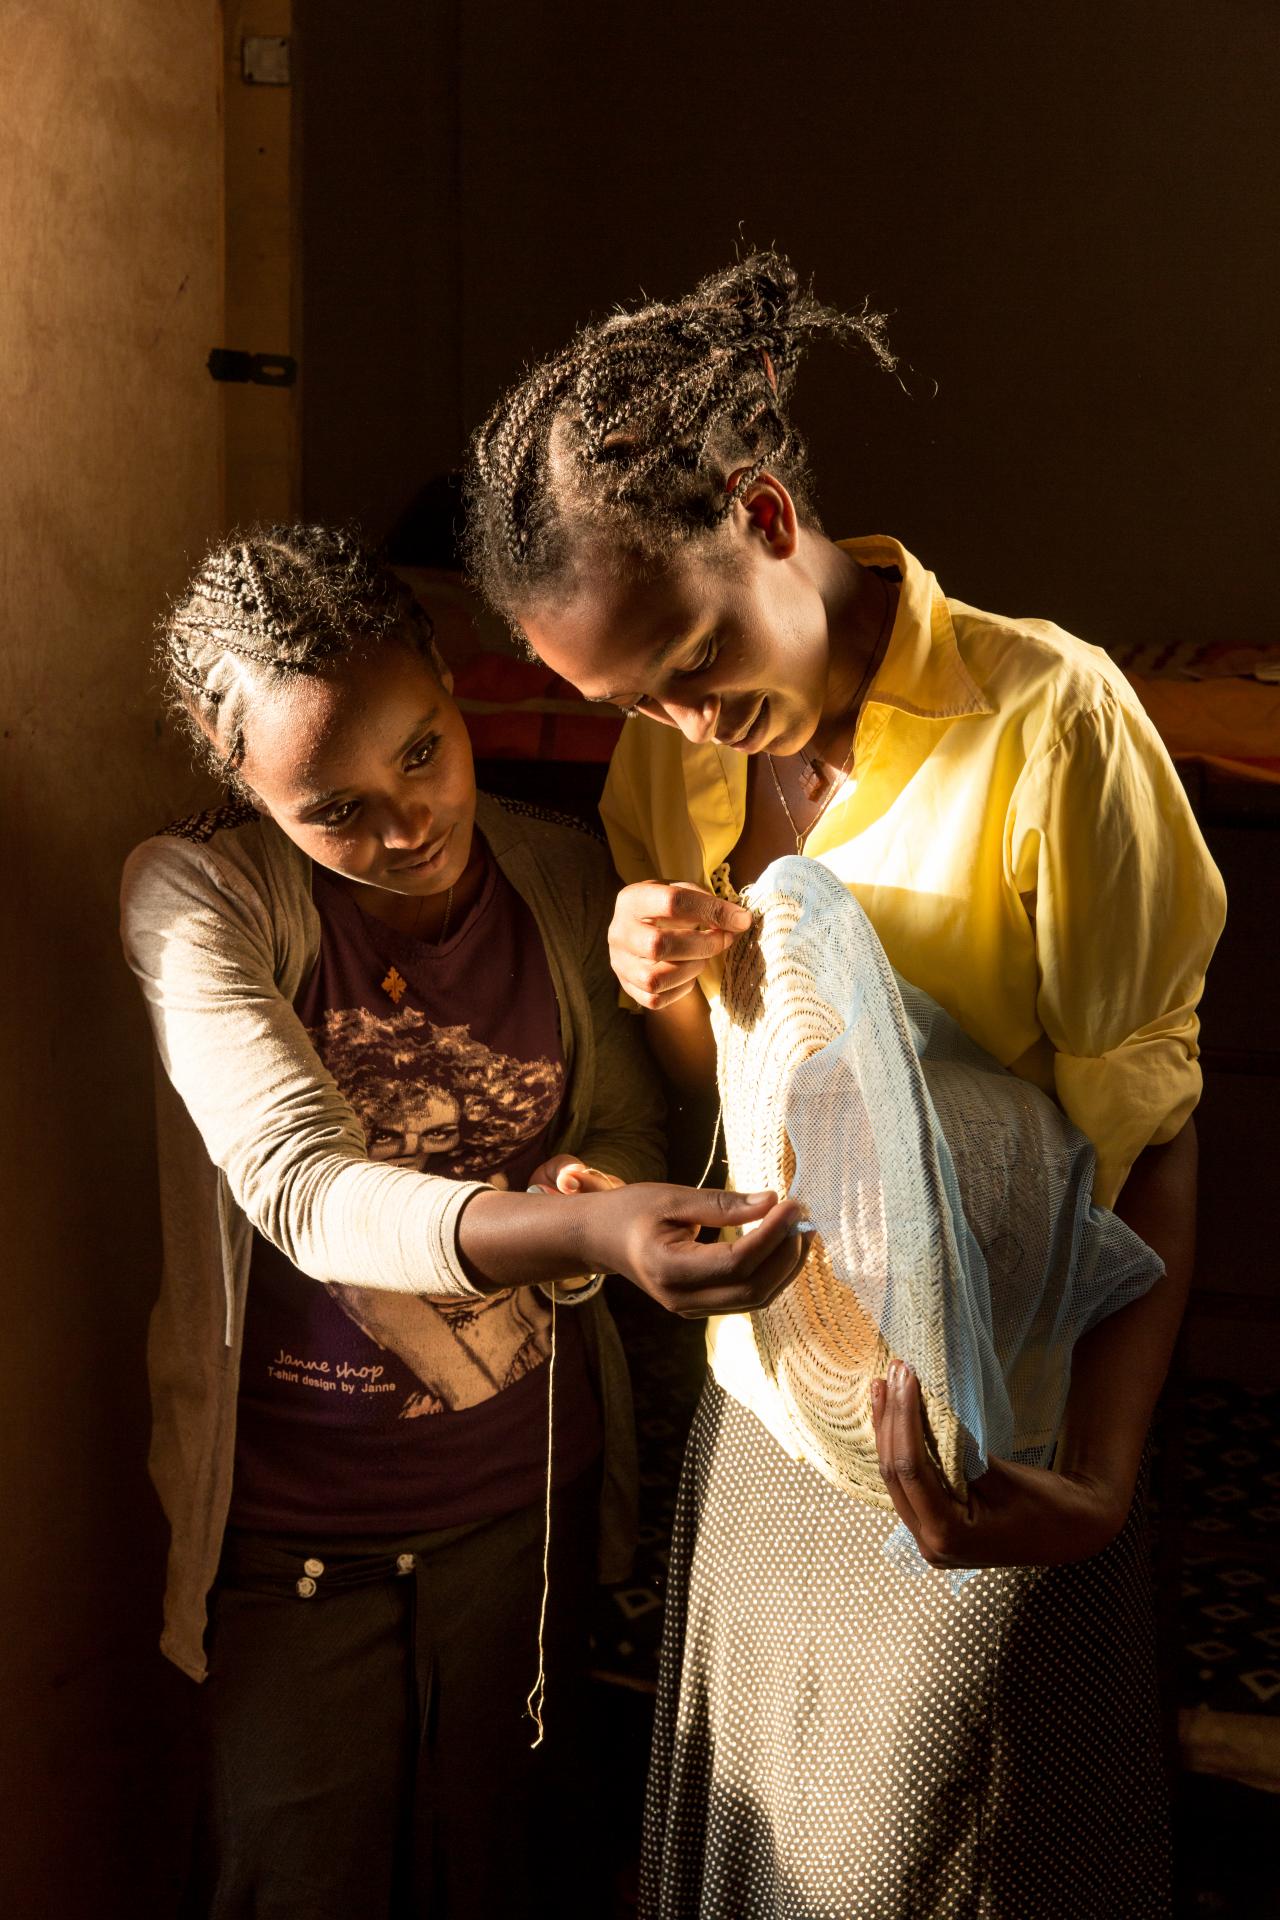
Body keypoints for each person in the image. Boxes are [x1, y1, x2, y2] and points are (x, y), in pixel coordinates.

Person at [464, 254, 1227, 1916]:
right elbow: (741, 1099)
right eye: (628, 703)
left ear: (766, 512)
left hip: (982, 1449)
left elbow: (1152, 1145)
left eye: (689, 655)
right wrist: (660, 989)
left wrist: (1093, 1481)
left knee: (954, 1864)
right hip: (772, 1425)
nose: (681, 719)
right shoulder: (681, 761)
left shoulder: (1052, 726)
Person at [119, 525, 807, 1919]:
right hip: (297, 1550)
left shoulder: (556, 873)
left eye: (423, 754)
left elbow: (617, 1130)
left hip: (528, 1523)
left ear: (449, 681)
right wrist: (589, 1243)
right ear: (237, 772)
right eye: (337, 809)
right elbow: (301, 1189)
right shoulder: (197, 898)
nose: (407, 825)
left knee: (517, 1878)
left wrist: (590, 1190)